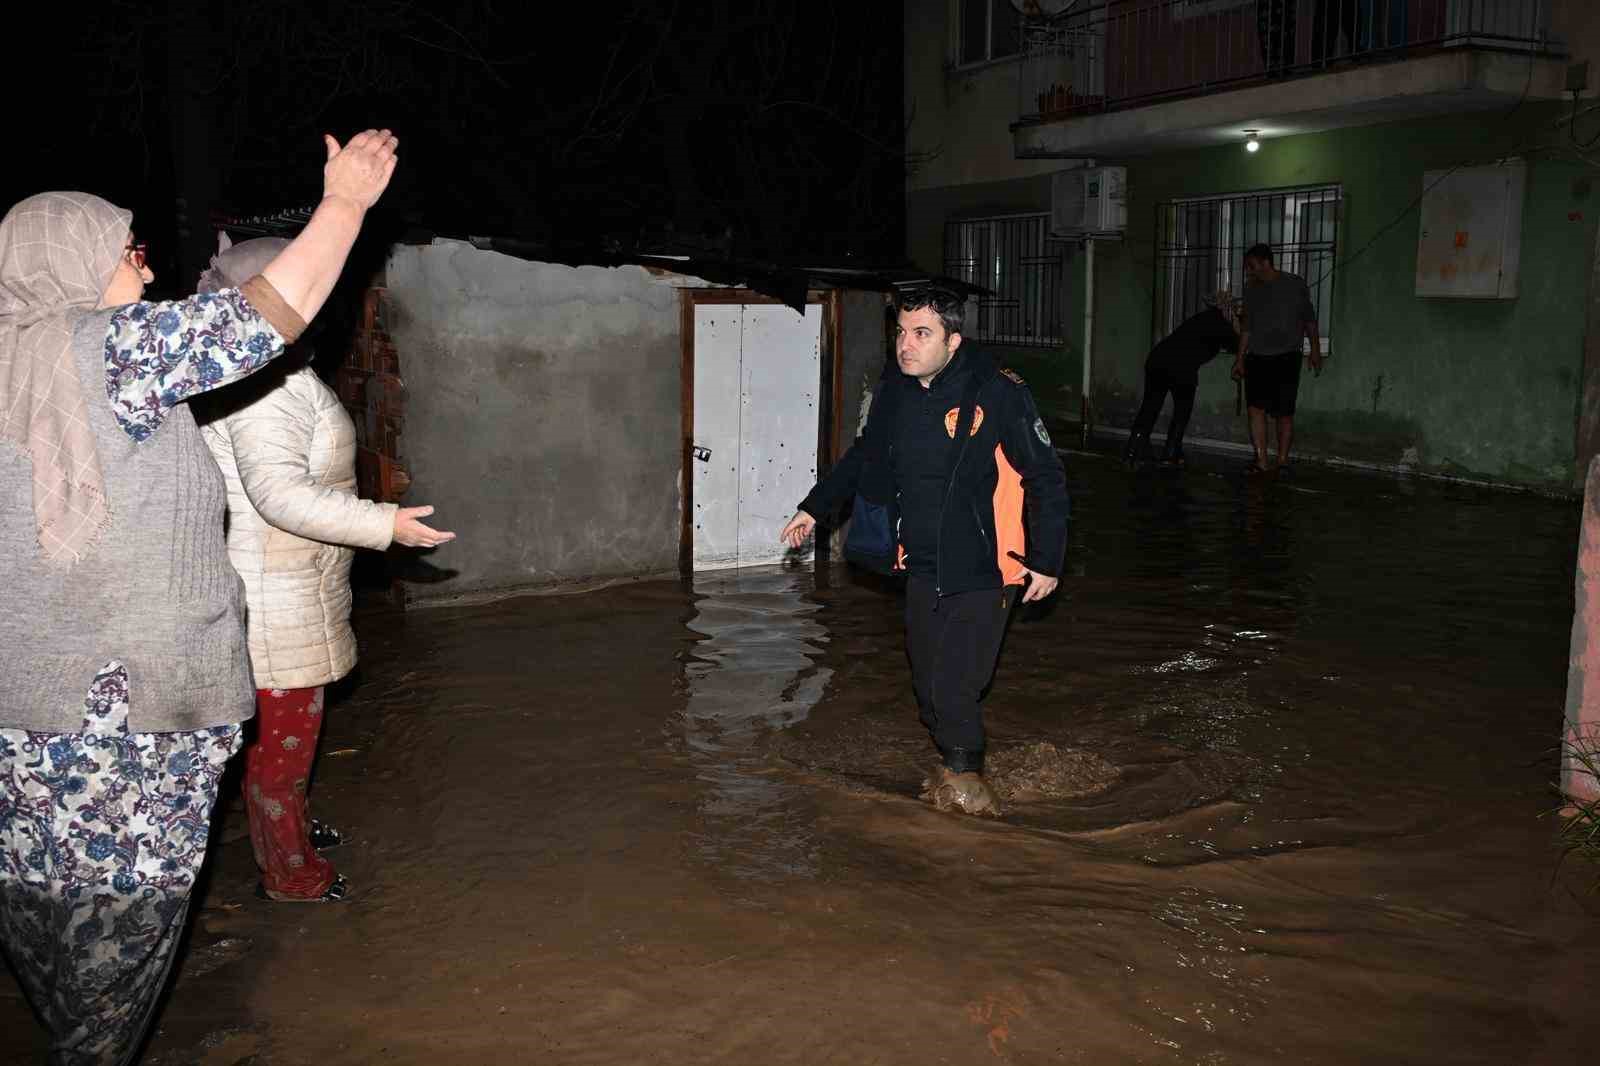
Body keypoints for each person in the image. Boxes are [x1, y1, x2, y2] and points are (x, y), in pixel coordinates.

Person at [0, 128, 398, 1064]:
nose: (143, 262)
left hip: (21, 712)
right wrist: (345, 205)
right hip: (124, 716)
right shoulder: (105, 352)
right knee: (120, 955)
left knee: (44, 917)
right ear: (69, 262)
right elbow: (264, 315)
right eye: (124, 248)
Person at [195, 237, 455, 904]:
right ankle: (291, 875)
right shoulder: (263, 388)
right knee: (282, 745)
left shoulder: (271, 371)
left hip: (288, 584)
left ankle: (289, 832)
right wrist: (383, 525)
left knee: (284, 743)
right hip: (272, 597)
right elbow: (277, 496)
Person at [779, 288, 1069, 817]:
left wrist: (1047, 560)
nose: (905, 345)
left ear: (953, 341)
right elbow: (865, 454)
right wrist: (816, 508)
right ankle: (958, 765)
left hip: (987, 568)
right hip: (920, 564)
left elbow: (1046, 475)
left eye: (921, 334)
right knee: (927, 683)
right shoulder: (896, 391)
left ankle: (969, 795)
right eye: (900, 333)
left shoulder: (998, 392)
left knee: (956, 686)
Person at [1123, 291, 1240, 467]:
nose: (1234, 312)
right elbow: (1238, 344)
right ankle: (1171, 453)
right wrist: (1237, 324)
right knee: (1181, 411)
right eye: (1232, 308)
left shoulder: (1202, 318)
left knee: (1150, 406)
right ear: (1225, 309)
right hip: (1181, 367)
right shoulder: (1219, 324)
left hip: (1158, 360)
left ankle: (1134, 451)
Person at [1233, 243, 1322, 473]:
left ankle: (1282, 461)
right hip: (1257, 357)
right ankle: (1261, 461)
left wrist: (1314, 349)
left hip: (1286, 357)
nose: (1249, 271)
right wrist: (1240, 359)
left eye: (1252, 266)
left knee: (1284, 412)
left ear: (1266, 263)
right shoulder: (1251, 288)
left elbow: (1309, 320)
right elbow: (1246, 328)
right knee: (1255, 409)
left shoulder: (1294, 284)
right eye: (1247, 268)